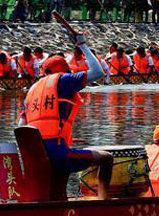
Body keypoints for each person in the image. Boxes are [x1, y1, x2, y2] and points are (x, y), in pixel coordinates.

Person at [18, 34, 112, 199]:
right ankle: (103, 202)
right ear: (64, 70)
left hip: (36, 156)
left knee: (58, 190)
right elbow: (98, 73)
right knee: (106, 158)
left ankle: (58, 208)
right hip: (58, 154)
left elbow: (21, 126)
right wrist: (83, 45)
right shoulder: (63, 80)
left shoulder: (31, 91)